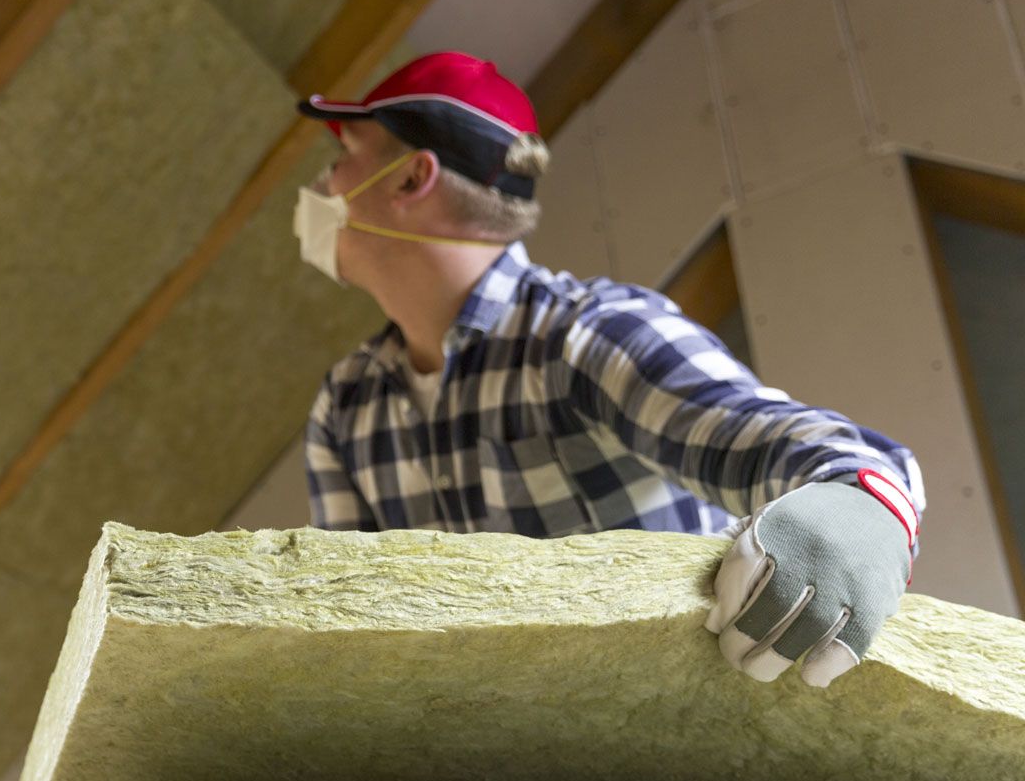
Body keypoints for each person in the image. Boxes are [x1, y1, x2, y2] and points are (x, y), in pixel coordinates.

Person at [295, 51, 922, 689]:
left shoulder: (583, 336)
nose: (324, 186)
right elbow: (354, 630)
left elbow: (803, 446)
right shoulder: (345, 408)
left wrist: (861, 508)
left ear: (409, 179)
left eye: (342, 156)